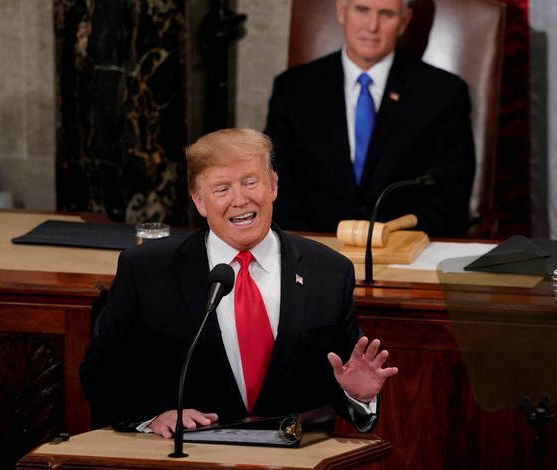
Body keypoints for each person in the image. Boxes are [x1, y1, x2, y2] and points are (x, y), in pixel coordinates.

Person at [79, 128, 398, 437]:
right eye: (222, 189)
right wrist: (154, 416)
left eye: (250, 182)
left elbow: (342, 373)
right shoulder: (146, 270)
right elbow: (101, 372)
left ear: (272, 186)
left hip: (293, 469)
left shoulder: (329, 272)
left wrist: (357, 396)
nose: (240, 200)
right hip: (190, 465)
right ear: (199, 202)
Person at [264, 0, 475, 237]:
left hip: (404, 249)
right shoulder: (293, 89)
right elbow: (277, 186)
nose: (372, 26)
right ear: (342, 11)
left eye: (386, 14)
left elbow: (451, 196)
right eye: (362, 10)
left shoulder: (443, 93)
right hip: (314, 250)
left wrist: (393, 241)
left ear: (404, 22)